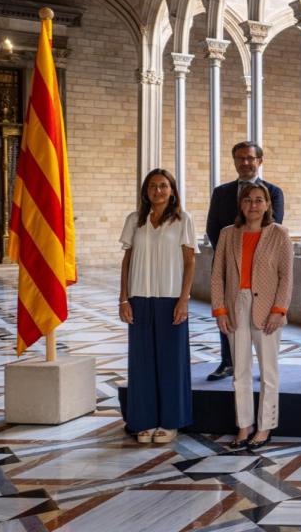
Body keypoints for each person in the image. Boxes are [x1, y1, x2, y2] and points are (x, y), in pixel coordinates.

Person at [210, 184, 292, 451]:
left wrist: (280, 310)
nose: (253, 205)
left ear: (268, 204)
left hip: (268, 309)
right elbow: (217, 275)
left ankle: (265, 426)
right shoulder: (227, 234)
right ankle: (244, 425)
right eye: (248, 200)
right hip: (236, 306)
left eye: (259, 200)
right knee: (240, 371)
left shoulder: (279, 234)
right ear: (241, 205)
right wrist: (220, 310)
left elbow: (286, 276)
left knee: (269, 371)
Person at [118, 169, 196, 444]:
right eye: (153, 186)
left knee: (171, 362)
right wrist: (124, 298)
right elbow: (127, 261)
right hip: (139, 298)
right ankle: (143, 420)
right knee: (141, 362)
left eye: (163, 186)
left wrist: (184, 299)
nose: (158, 190)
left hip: (171, 298)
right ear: (146, 191)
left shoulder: (183, 220)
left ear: (172, 190)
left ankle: (170, 421)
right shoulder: (135, 221)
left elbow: (189, 263)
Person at [205, 141, 285, 382]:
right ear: (234, 162)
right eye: (240, 158)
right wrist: (230, 256)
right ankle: (228, 362)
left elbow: (273, 226)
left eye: (250, 158)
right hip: (230, 266)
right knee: (228, 315)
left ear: (259, 161)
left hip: (262, 269)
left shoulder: (273, 192)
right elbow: (213, 228)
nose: (245, 162)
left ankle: (264, 365)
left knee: (262, 321)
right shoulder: (221, 192)